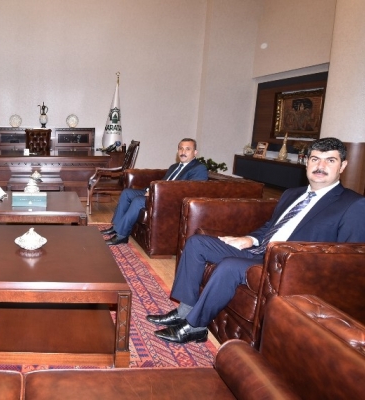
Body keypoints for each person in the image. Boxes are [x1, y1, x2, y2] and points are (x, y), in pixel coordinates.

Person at [147, 137, 365, 344]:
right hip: (259, 251)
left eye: (330, 160)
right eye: (315, 159)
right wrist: (250, 238)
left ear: (343, 166)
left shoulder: (352, 204)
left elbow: (346, 260)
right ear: (307, 162)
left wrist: (288, 257)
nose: (320, 166)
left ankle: (195, 327)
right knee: (197, 243)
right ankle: (184, 311)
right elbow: (271, 226)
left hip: (286, 266)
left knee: (230, 266)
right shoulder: (291, 194)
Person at [104, 138, 208, 245]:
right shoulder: (174, 167)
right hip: (158, 193)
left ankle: (121, 235)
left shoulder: (199, 168)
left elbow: (191, 190)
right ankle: (116, 227)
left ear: (195, 152)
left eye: (187, 149)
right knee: (127, 193)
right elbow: (164, 182)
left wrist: (157, 193)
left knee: (138, 201)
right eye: (181, 148)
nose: (183, 152)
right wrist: (151, 190)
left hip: (170, 200)